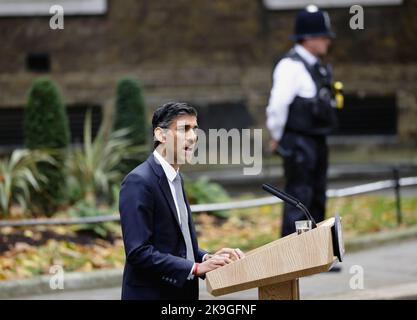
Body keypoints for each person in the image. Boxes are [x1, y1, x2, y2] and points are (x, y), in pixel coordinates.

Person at [119, 101, 244, 300]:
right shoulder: (139, 181)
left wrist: (207, 258)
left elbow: (179, 244)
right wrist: (195, 267)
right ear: (161, 135)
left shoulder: (176, 177)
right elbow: (138, 252)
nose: (193, 137)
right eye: (184, 129)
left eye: (194, 129)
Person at [266, 5, 339, 237]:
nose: (328, 41)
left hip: (316, 140)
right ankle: (292, 256)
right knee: (299, 198)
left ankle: (316, 253)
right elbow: (277, 106)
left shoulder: (317, 67)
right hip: (299, 142)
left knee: (317, 196)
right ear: (309, 38)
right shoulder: (291, 66)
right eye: (323, 36)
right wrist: (277, 136)